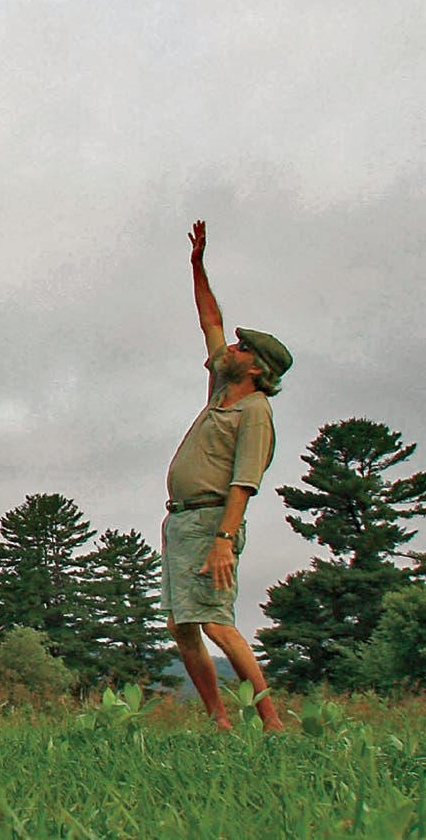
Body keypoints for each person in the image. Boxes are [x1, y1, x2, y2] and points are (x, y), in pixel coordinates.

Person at [165, 221, 291, 731]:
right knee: (183, 625)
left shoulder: (255, 411)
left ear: (258, 369)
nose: (229, 350)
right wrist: (198, 266)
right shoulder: (223, 388)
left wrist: (223, 539)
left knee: (217, 622)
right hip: (183, 522)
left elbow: (245, 482)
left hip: (213, 523)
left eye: (240, 350)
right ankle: (219, 718)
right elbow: (210, 319)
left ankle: (272, 723)